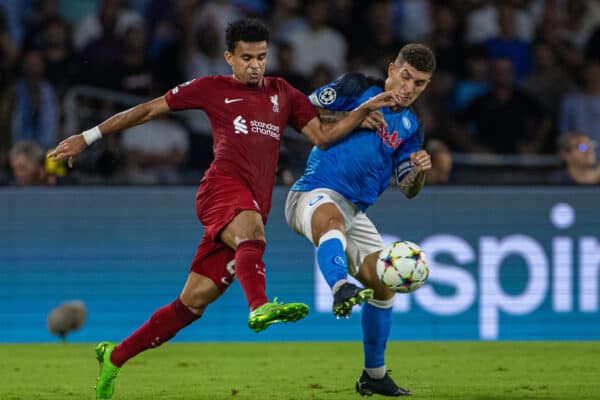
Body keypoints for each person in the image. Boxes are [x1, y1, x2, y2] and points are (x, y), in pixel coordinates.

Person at [48, 18, 401, 400]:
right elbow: (149, 110)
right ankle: (260, 307)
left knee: (191, 305)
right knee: (252, 232)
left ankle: (114, 357)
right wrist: (86, 138)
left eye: (261, 57)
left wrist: (359, 115)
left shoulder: (283, 93)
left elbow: (323, 136)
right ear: (229, 57)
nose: (255, 65)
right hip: (221, 189)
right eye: (246, 57)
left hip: (252, 201)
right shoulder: (212, 88)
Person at [285, 43, 435, 397]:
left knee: (383, 286)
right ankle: (340, 287)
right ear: (391, 70)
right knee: (332, 222)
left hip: (356, 211)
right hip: (312, 192)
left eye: (420, 84)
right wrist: (352, 116)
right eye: (406, 77)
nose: (409, 89)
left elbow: (407, 187)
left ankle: (374, 375)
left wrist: (419, 171)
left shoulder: (412, 125)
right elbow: (297, 112)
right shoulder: (357, 87)